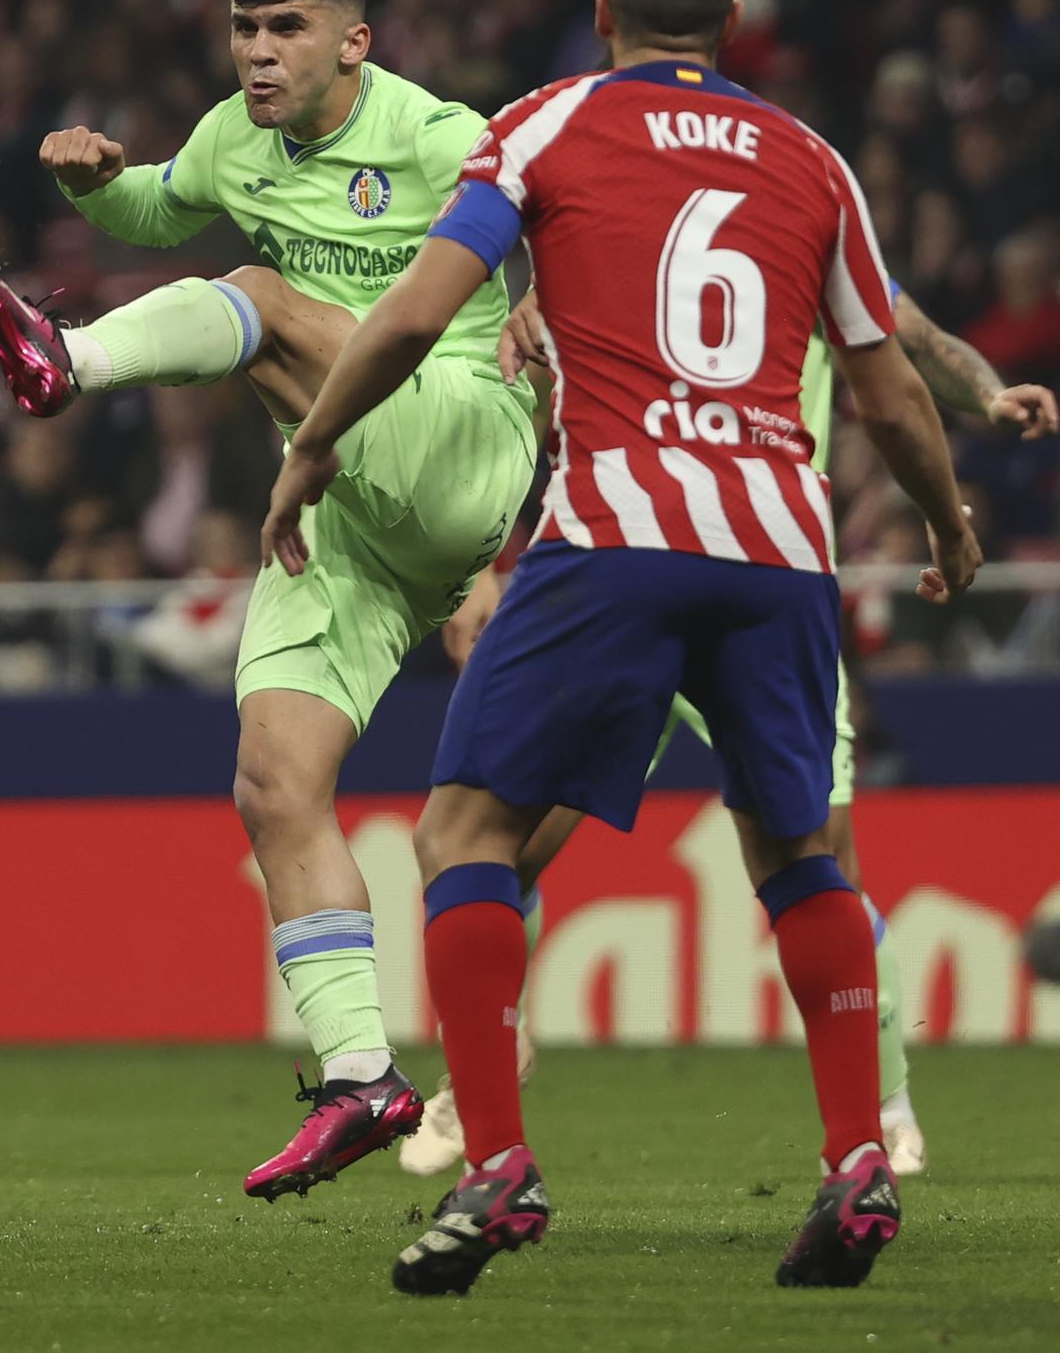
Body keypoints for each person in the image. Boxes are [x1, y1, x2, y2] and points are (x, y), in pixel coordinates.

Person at [260, 0, 984, 1295]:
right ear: (732, 22)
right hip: (778, 543)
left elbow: (413, 313)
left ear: (603, 11)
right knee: (797, 855)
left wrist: (308, 448)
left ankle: (500, 1163)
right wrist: (949, 521)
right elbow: (886, 385)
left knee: (462, 827)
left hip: (616, 531)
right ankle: (855, 1153)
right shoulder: (813, 159)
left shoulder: (544, 126)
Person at [0, 0, 537, 1201]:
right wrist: (99, 183)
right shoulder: (230, 135)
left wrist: (543, 294)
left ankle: (67, 358)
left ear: (354, 41)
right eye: (246, 31)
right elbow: (161, 205)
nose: (259, 55)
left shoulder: (439, 135)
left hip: (463, 441)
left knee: (259, 292)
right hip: (340, 507)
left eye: (289, 30)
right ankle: (365, 1076)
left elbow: (558, 212)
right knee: (276, 779)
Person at [402, 285, 1058, 1182]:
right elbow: (527, 393)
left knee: (823, 860)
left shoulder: (801, 236)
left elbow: (916, 341)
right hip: (651, 574)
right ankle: (483, 1068)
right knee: (500, 850)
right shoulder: (637, 237)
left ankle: (887, 1112)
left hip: (743, 574)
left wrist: (985, 393)